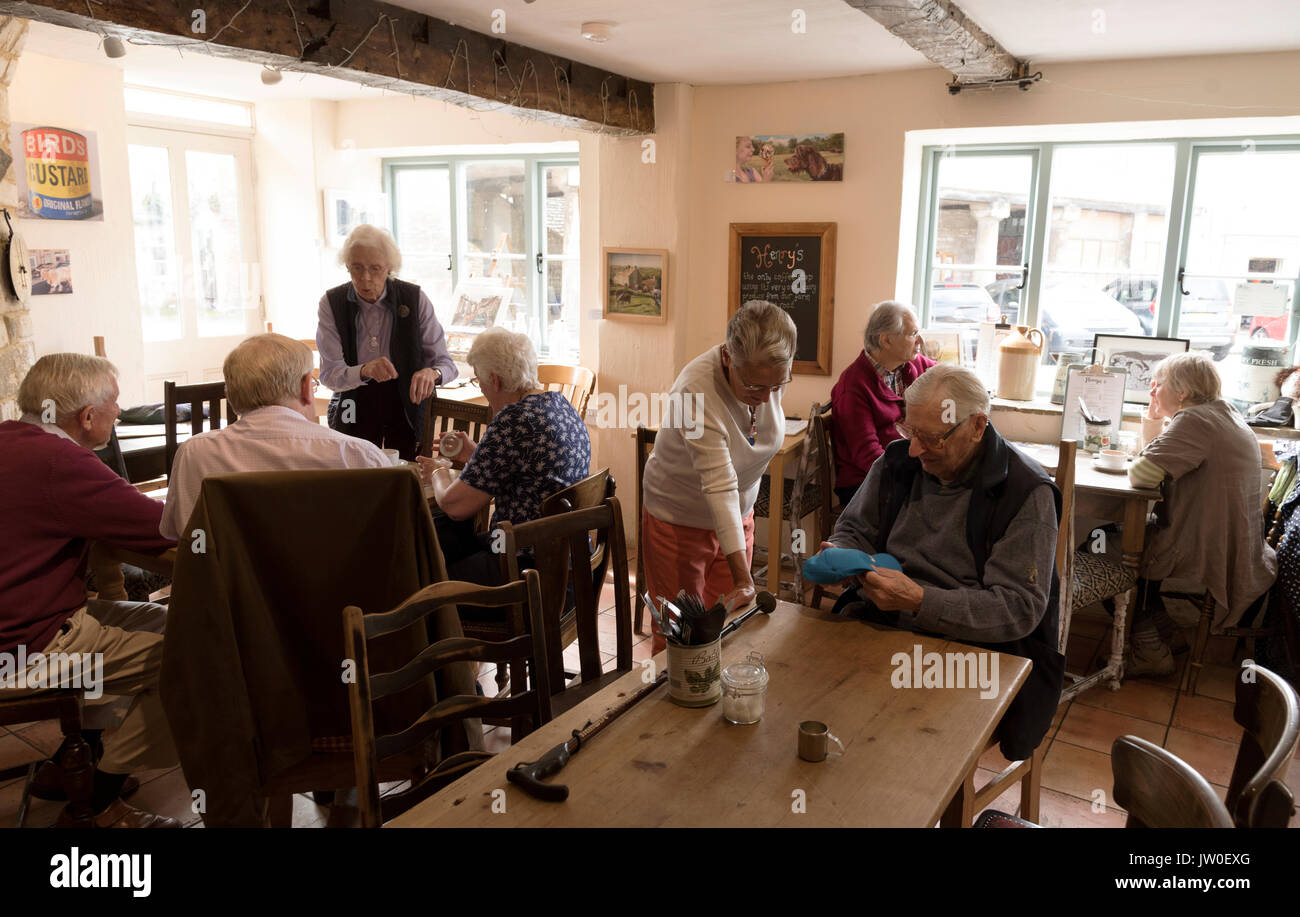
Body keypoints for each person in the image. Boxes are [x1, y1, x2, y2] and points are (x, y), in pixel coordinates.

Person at [818, 363, 1063, 761]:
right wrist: (843, 556)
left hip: (977, 653)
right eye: (909, 431)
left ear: (977, 426)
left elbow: (1017, 609)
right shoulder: (899, 462)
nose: (915, 449)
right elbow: (853, 528)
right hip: (884, 624)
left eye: (931, 438)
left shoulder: (1025, 492)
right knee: (817, 699)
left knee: (905, 742)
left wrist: (919, 601)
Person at [0, 354, 180, 827]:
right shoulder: (61, 461)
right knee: (194, 650)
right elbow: (162, 526)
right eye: (115, 405)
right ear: (86, 416)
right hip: (26, 646)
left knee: (161, 622)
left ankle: (66, 765)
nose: (118, 414)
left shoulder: (9, 438)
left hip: (19, 629)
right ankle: (100, 803)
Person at [640, 300, 797, 653]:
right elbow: (720, 485)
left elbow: (735, 485)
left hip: (737, 516)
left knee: (731, 628)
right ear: (728, 357)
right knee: (680, 636)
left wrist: (741, 574)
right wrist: (745, 578)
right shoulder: (694, 392)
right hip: (677, 519)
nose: (765, 398)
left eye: (777, 385)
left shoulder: (766, 376)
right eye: (755, 387)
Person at [1125, 352, 1276, 676]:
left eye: (1158, 384)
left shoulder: (1196, 421)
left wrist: (1153, 426)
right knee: (1131, 541)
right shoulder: (1222, 413)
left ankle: (1151, 652)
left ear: (1181, 392)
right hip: (1229, 540)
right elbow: (1158, 463)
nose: (1152, 389)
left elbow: (1142, 475)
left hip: (1206, 546)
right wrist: (1154, 417)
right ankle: (1164, 635)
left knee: (1114, 557)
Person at [160, 334, 391, 539]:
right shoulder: (359, 456)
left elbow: (182, 535)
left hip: (232, 588)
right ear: (304, 389)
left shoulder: (194, 453)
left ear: (229, 396)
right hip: (335, 587)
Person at [419, 326, 590, 584]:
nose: (483, 389)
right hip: (567, 562)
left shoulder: (513, 421)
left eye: (479, 380)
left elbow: (456, 506)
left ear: (495, 380)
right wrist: (475, 453)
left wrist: (437, 471)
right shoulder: (560, 405)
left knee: (423, 576)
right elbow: (530, 471)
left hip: (526, 568)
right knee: (446, 543)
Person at [316, 224, 457, 460]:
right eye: (357, 268)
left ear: (390, 268)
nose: (365, 278)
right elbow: (330, 375)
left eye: (375, 268)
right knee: (356, 476)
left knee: (407, 474)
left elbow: (447, 365)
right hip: (354, 402)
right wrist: (364, 370)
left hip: (406, 403)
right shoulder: (332, 303)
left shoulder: (414, 298)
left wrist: (431, 373)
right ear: (347, 267)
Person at [830, 301, 935, 507]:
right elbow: (869, 458)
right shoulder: (853, 387)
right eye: (913, 334)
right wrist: (917, 474)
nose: (920, 340)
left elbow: (947, 376)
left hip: (906, 470)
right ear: (886, 340)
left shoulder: (910, 364)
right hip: (867, 484)